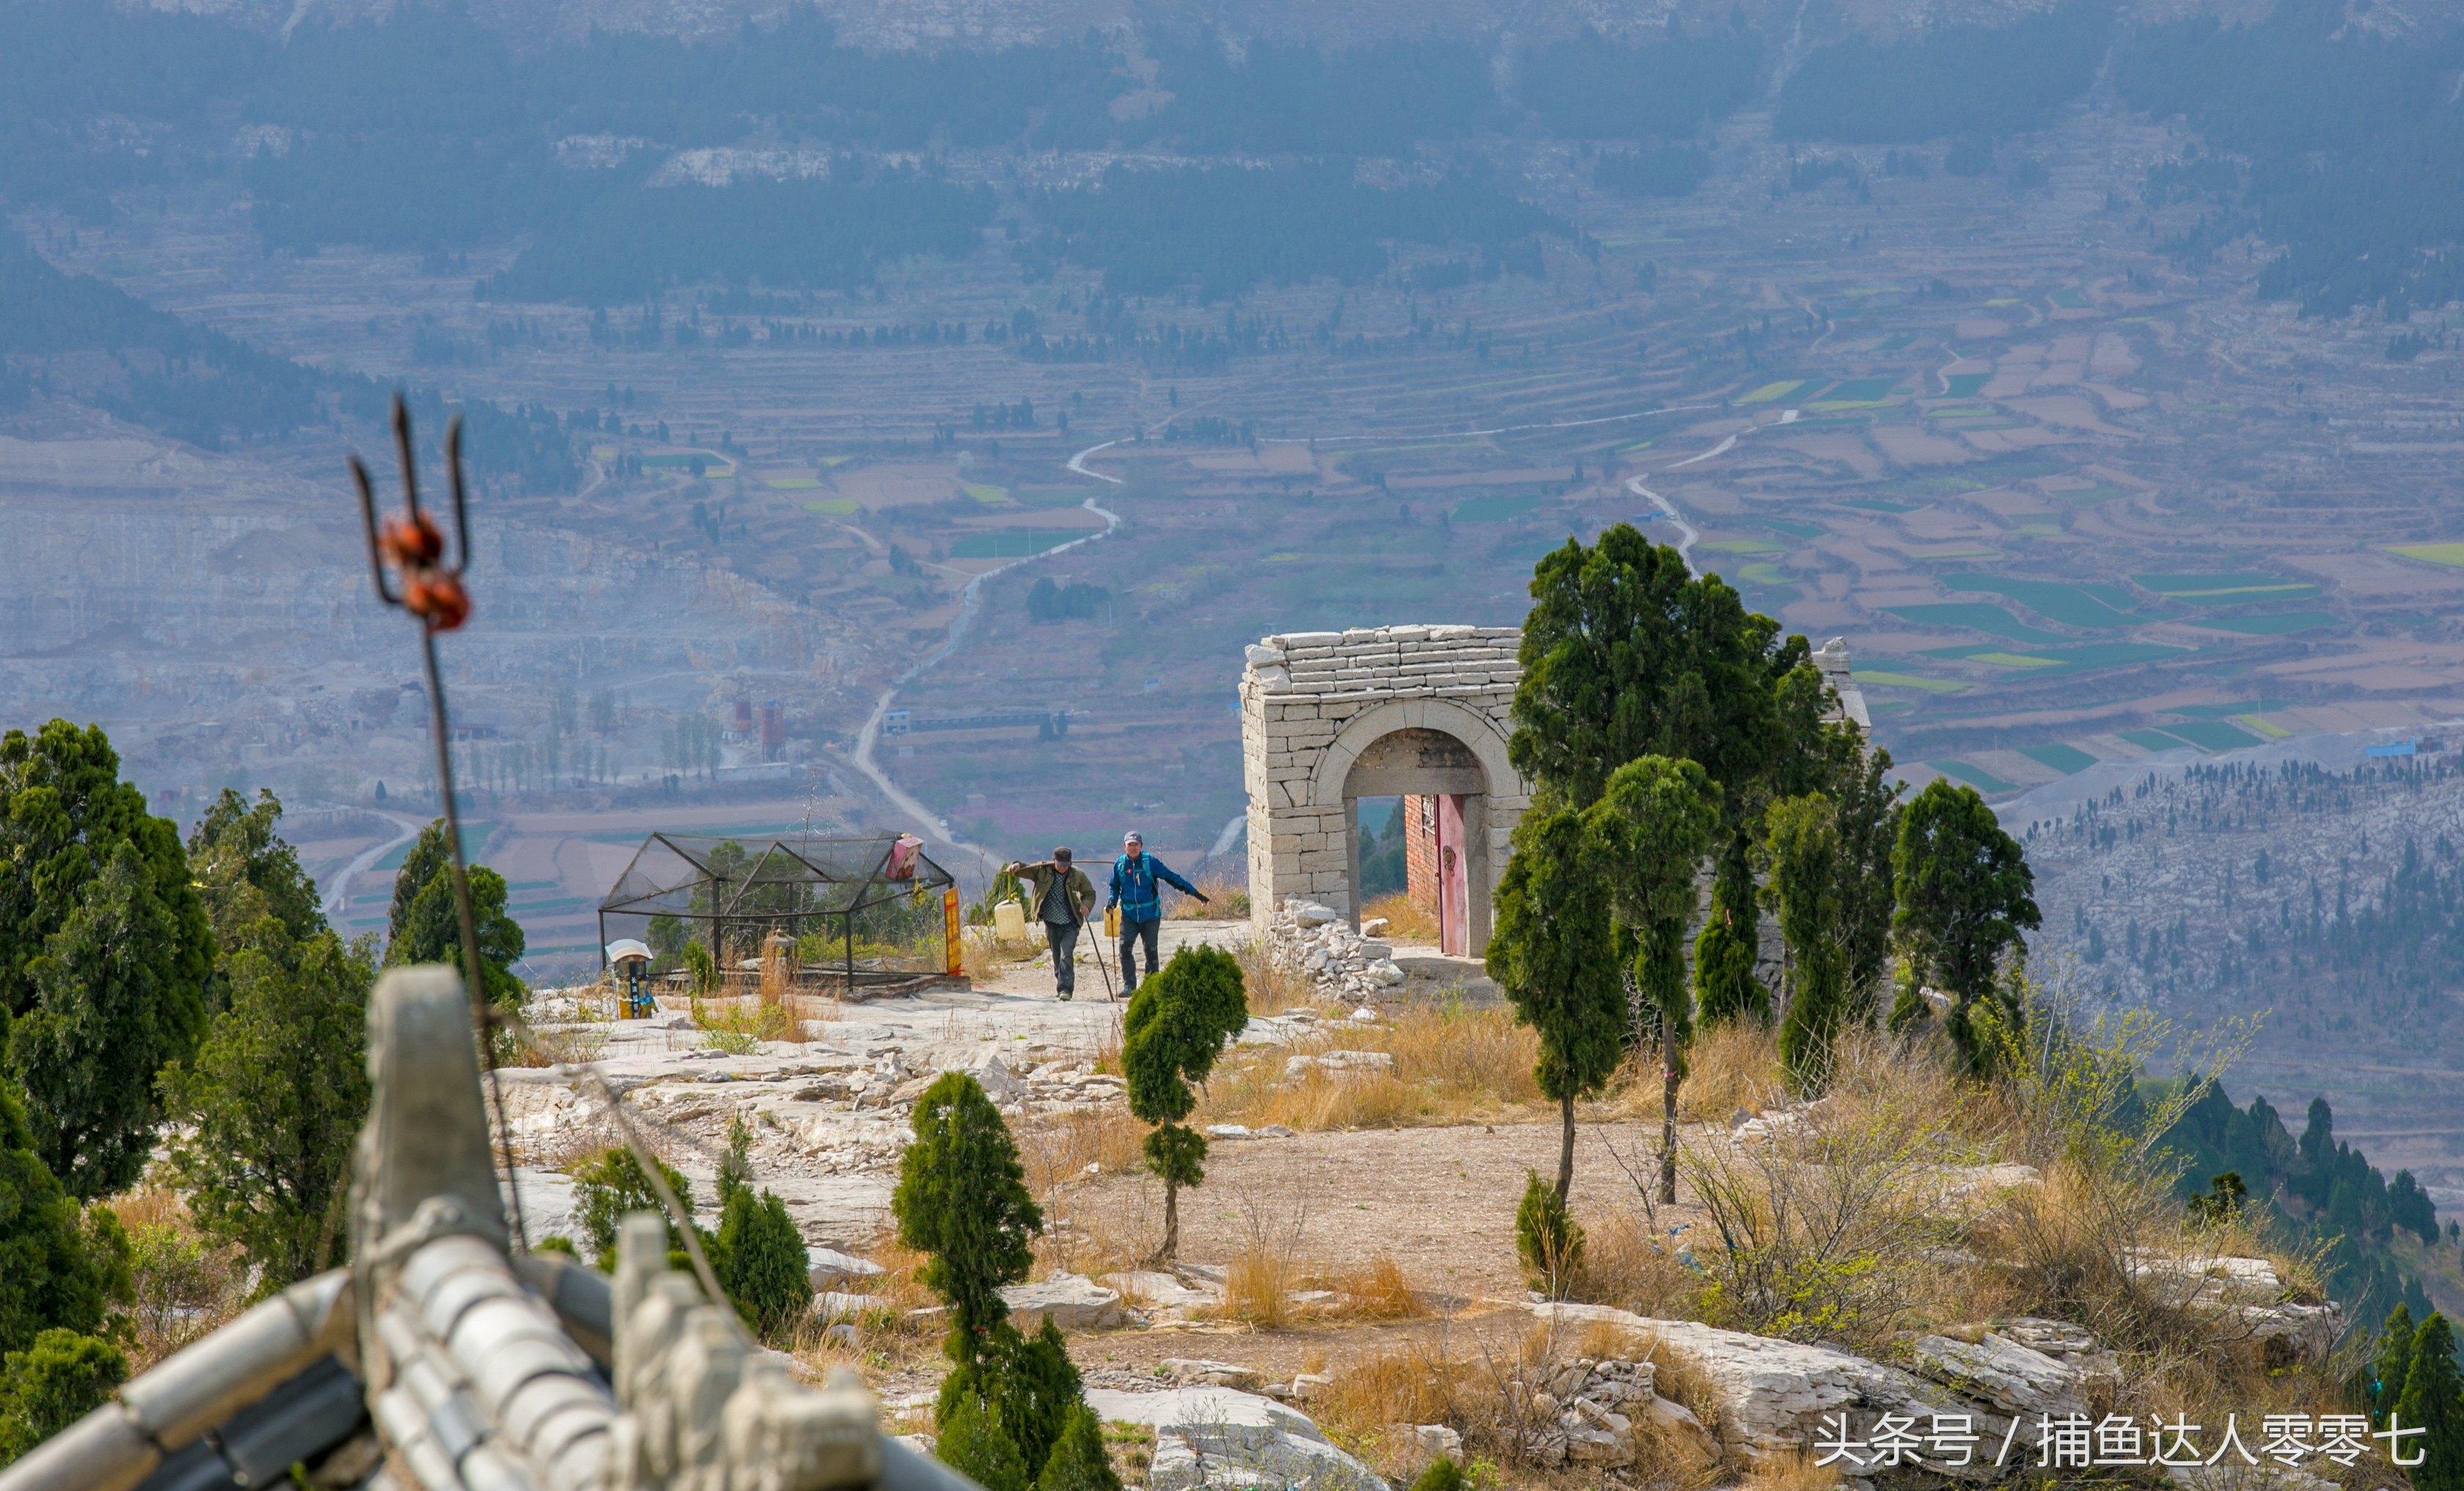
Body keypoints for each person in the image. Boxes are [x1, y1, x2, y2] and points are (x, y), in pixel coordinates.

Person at [1107, 831, 1206, 995]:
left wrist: (1196, 894)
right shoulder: (1120, 864)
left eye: (1136, 844)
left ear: (1141, 846)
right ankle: (1129, 986)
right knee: (1125, 948)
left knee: (1151, 950)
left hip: (1151, 914)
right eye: (1129, 845)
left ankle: (1152, 986)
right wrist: (1112, 901)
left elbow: (1171, 878)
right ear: (1124, 846)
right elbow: (1114, 886)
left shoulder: (1149, 862)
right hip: (1129, 914)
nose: (1133, 848)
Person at [1004, 848, 1096, 1000]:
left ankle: (1065, 989)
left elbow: (1090, 894)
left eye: (1066, 865)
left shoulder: (1077, 875)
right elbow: (1025, 870)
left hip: (1070, 922)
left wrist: (1086, 906)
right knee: (1057, 955)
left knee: (1066, 954)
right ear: (1054, 861)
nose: (1063, 868)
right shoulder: (1042, 871)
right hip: (1051, 922)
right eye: (1060, 864)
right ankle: (1061, 982)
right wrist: (1016, 866)